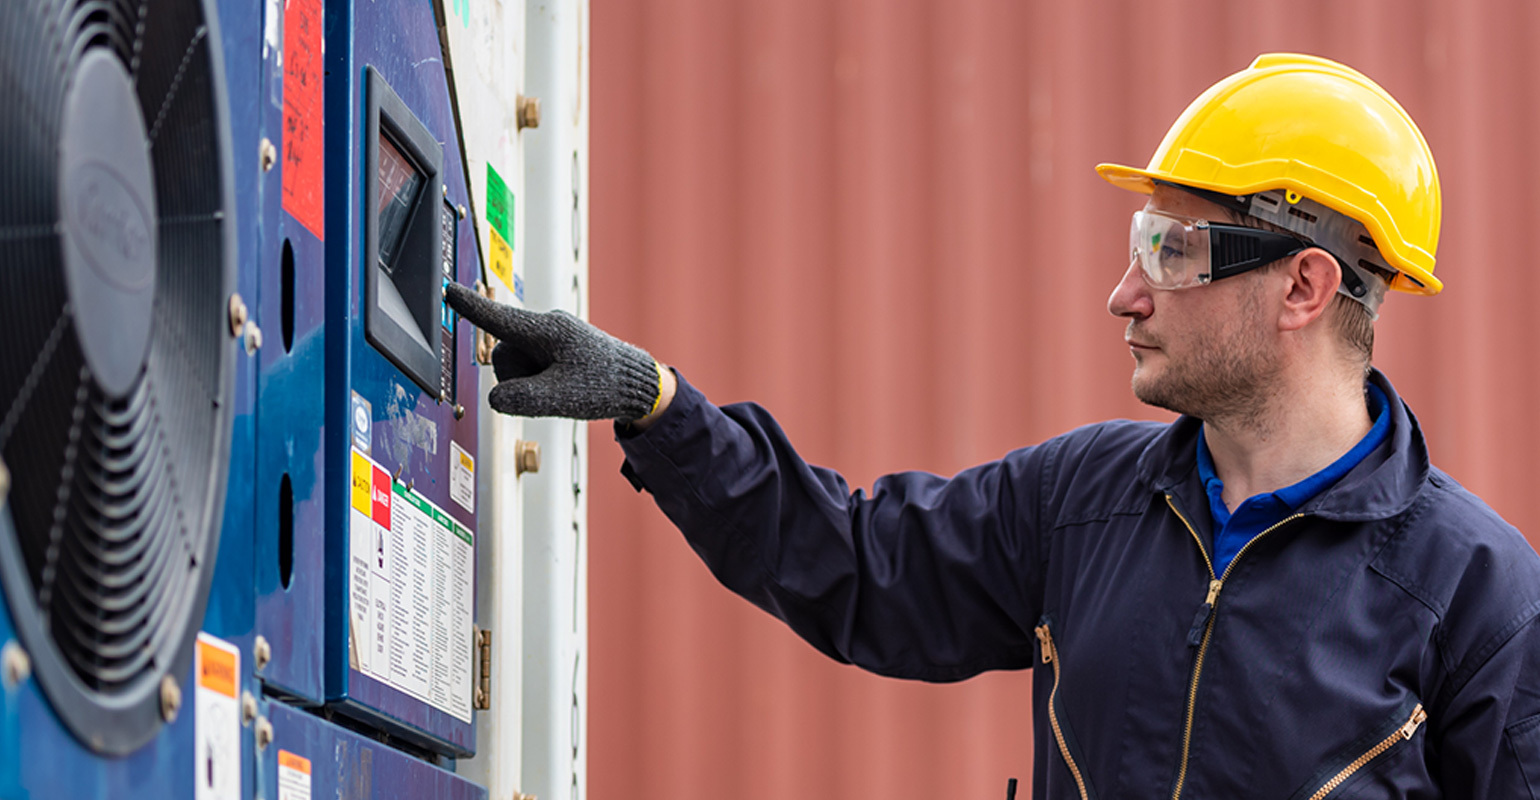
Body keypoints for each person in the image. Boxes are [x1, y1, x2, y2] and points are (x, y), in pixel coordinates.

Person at [446, 53, 1540, 799]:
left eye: (1168, 248)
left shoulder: (1478, 594)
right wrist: (658, 405)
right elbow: (857, 562)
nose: (1124, 291)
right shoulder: (1081, 502)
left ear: (1303, 284)